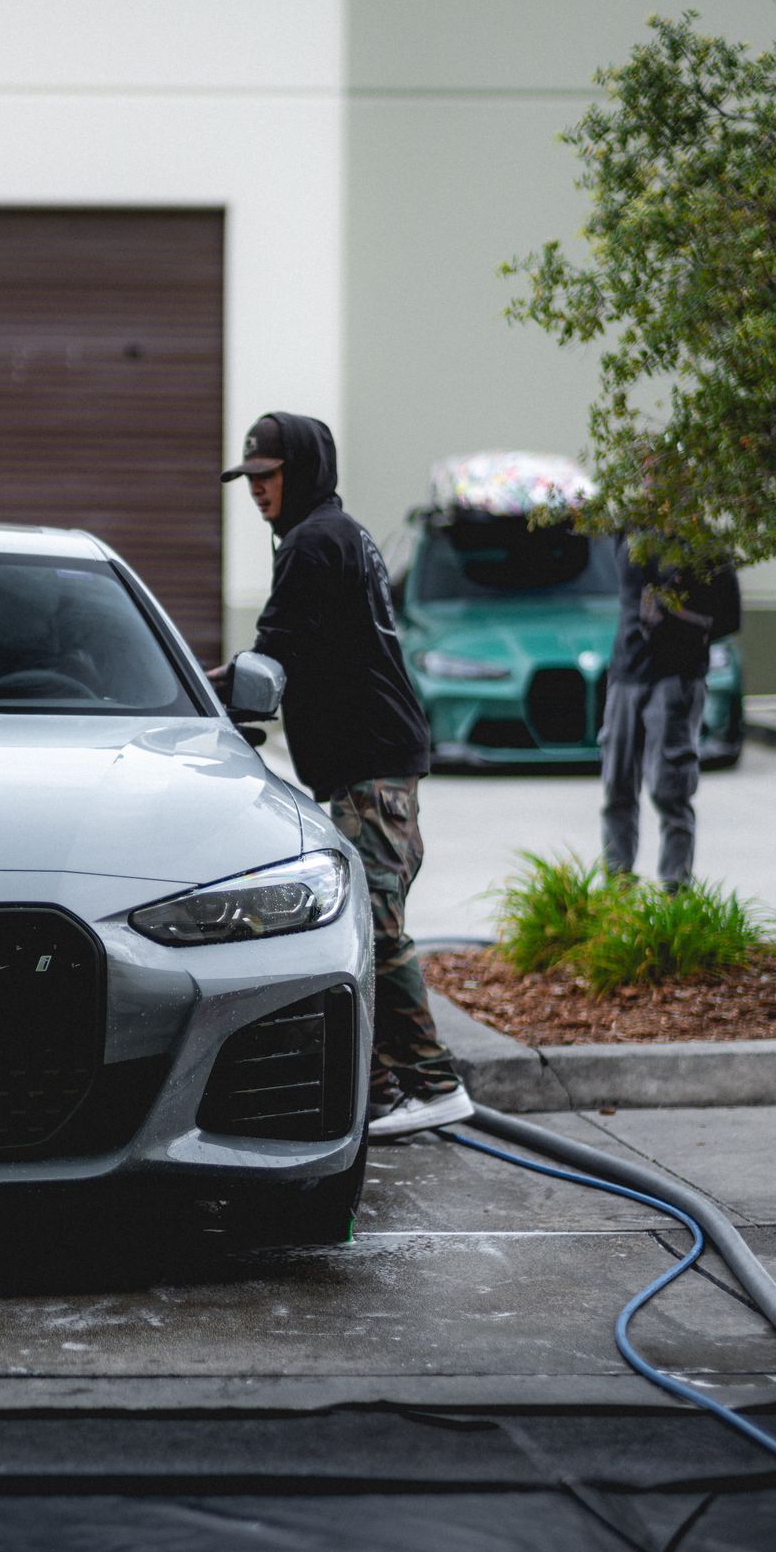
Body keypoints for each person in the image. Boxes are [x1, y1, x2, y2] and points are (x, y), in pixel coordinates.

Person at [221, 411, 472, 1139]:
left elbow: (273, 654)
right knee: (358, 923)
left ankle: (435, 1084)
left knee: (379, 929)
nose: (256, 491)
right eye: (249, 480)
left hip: (371, 764)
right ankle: (382, 1089)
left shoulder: (311, 542)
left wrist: (198, 691)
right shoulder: (339, 531)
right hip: (374, 761)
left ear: (299, 471)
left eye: (266, 477)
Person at [602, 547, 739, 892]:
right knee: (616, 787)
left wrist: (677, 614)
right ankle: (617, 889)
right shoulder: (628, 531)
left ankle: (675, 895)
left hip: (677, 677)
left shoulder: (703, 542)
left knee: (671, 792)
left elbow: (730, 619)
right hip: (626, 675)